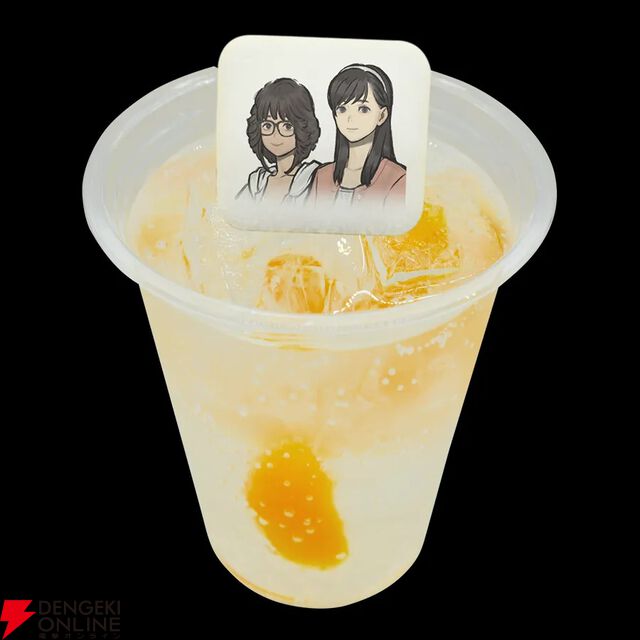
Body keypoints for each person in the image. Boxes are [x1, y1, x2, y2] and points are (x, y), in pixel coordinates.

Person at [309, 64, 406, 207]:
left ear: (382, 115)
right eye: (342, 109)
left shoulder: (397, 179)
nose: (350, 118)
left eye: (363, 109)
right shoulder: (321, 175)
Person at [237, 78, 321, 204]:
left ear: (303, 127)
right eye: (268, 125)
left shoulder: (314, 178)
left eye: (287, 126)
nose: (276, 135)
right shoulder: (257, 182)